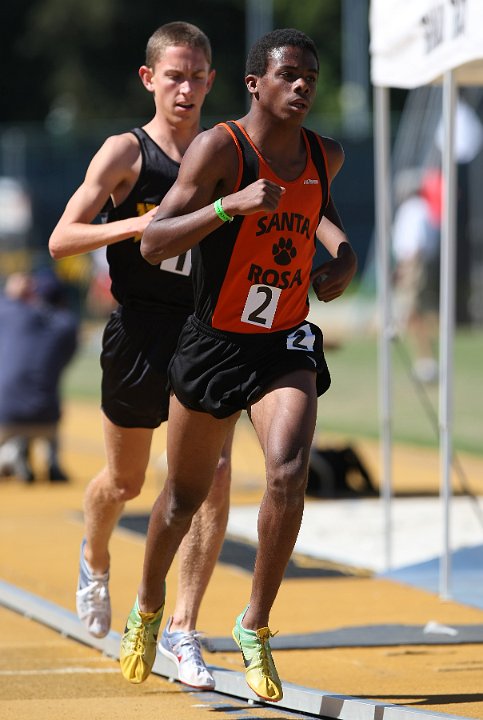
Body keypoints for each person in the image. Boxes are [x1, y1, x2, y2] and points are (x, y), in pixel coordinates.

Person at [120, 28, 357, 702]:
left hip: (281, 339)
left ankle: (254, 624)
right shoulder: (219, 148)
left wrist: (343, 263)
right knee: (182, 500)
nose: (302, 85)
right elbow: (154, 240)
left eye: (310, 75)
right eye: (288, 74)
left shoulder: (322, 153)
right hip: (214, 343)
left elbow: (325, 221)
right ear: (255, 83)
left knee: (286, 471)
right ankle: (146, 606)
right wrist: (229, 205)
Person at [49, 22, 234, 690]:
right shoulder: (126, 153)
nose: (186, 89)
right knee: (123, 484)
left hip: (207, 332)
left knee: (209, 477)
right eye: (174, 76)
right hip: (137, 332)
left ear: (212, 81)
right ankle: (95, 554)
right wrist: (139, 224)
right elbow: (62, 238)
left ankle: (183, 628)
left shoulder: (226, 152)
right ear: (149, 79)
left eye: (197, 76)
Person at [0, 269, 79, 483]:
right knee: (45, 389)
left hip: (6, 417)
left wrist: (12, 292)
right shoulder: (68, 324)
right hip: (47, 418)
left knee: (12, 387)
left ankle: (11, 454)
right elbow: (63, 361)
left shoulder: (9, 312)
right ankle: (52, 460)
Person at [392, 167, 442, 384]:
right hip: (418, 264)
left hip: (414, 265)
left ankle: (426, 363)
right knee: (420, 312)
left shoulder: (413, 208)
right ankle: (428, 362)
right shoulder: (421, 208)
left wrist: (404, 269)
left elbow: (413, 245)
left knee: (414, 313)